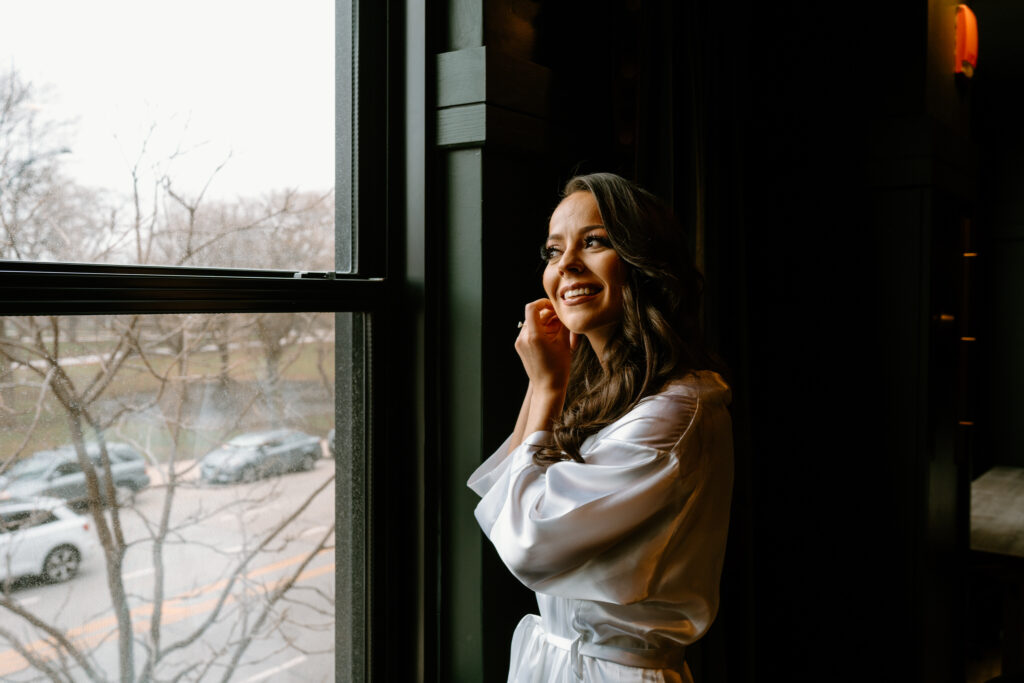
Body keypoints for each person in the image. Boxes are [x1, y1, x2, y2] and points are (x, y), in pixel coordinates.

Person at [467, 172, 734, 683]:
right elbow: (504, 494)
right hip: (559, 663)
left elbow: (528, 541)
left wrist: (546, 389)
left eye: (593, 242)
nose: (565, 264)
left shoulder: (675, 412)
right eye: (552, 250)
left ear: (643, 260)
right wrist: (549, 382)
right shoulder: (606, 393)